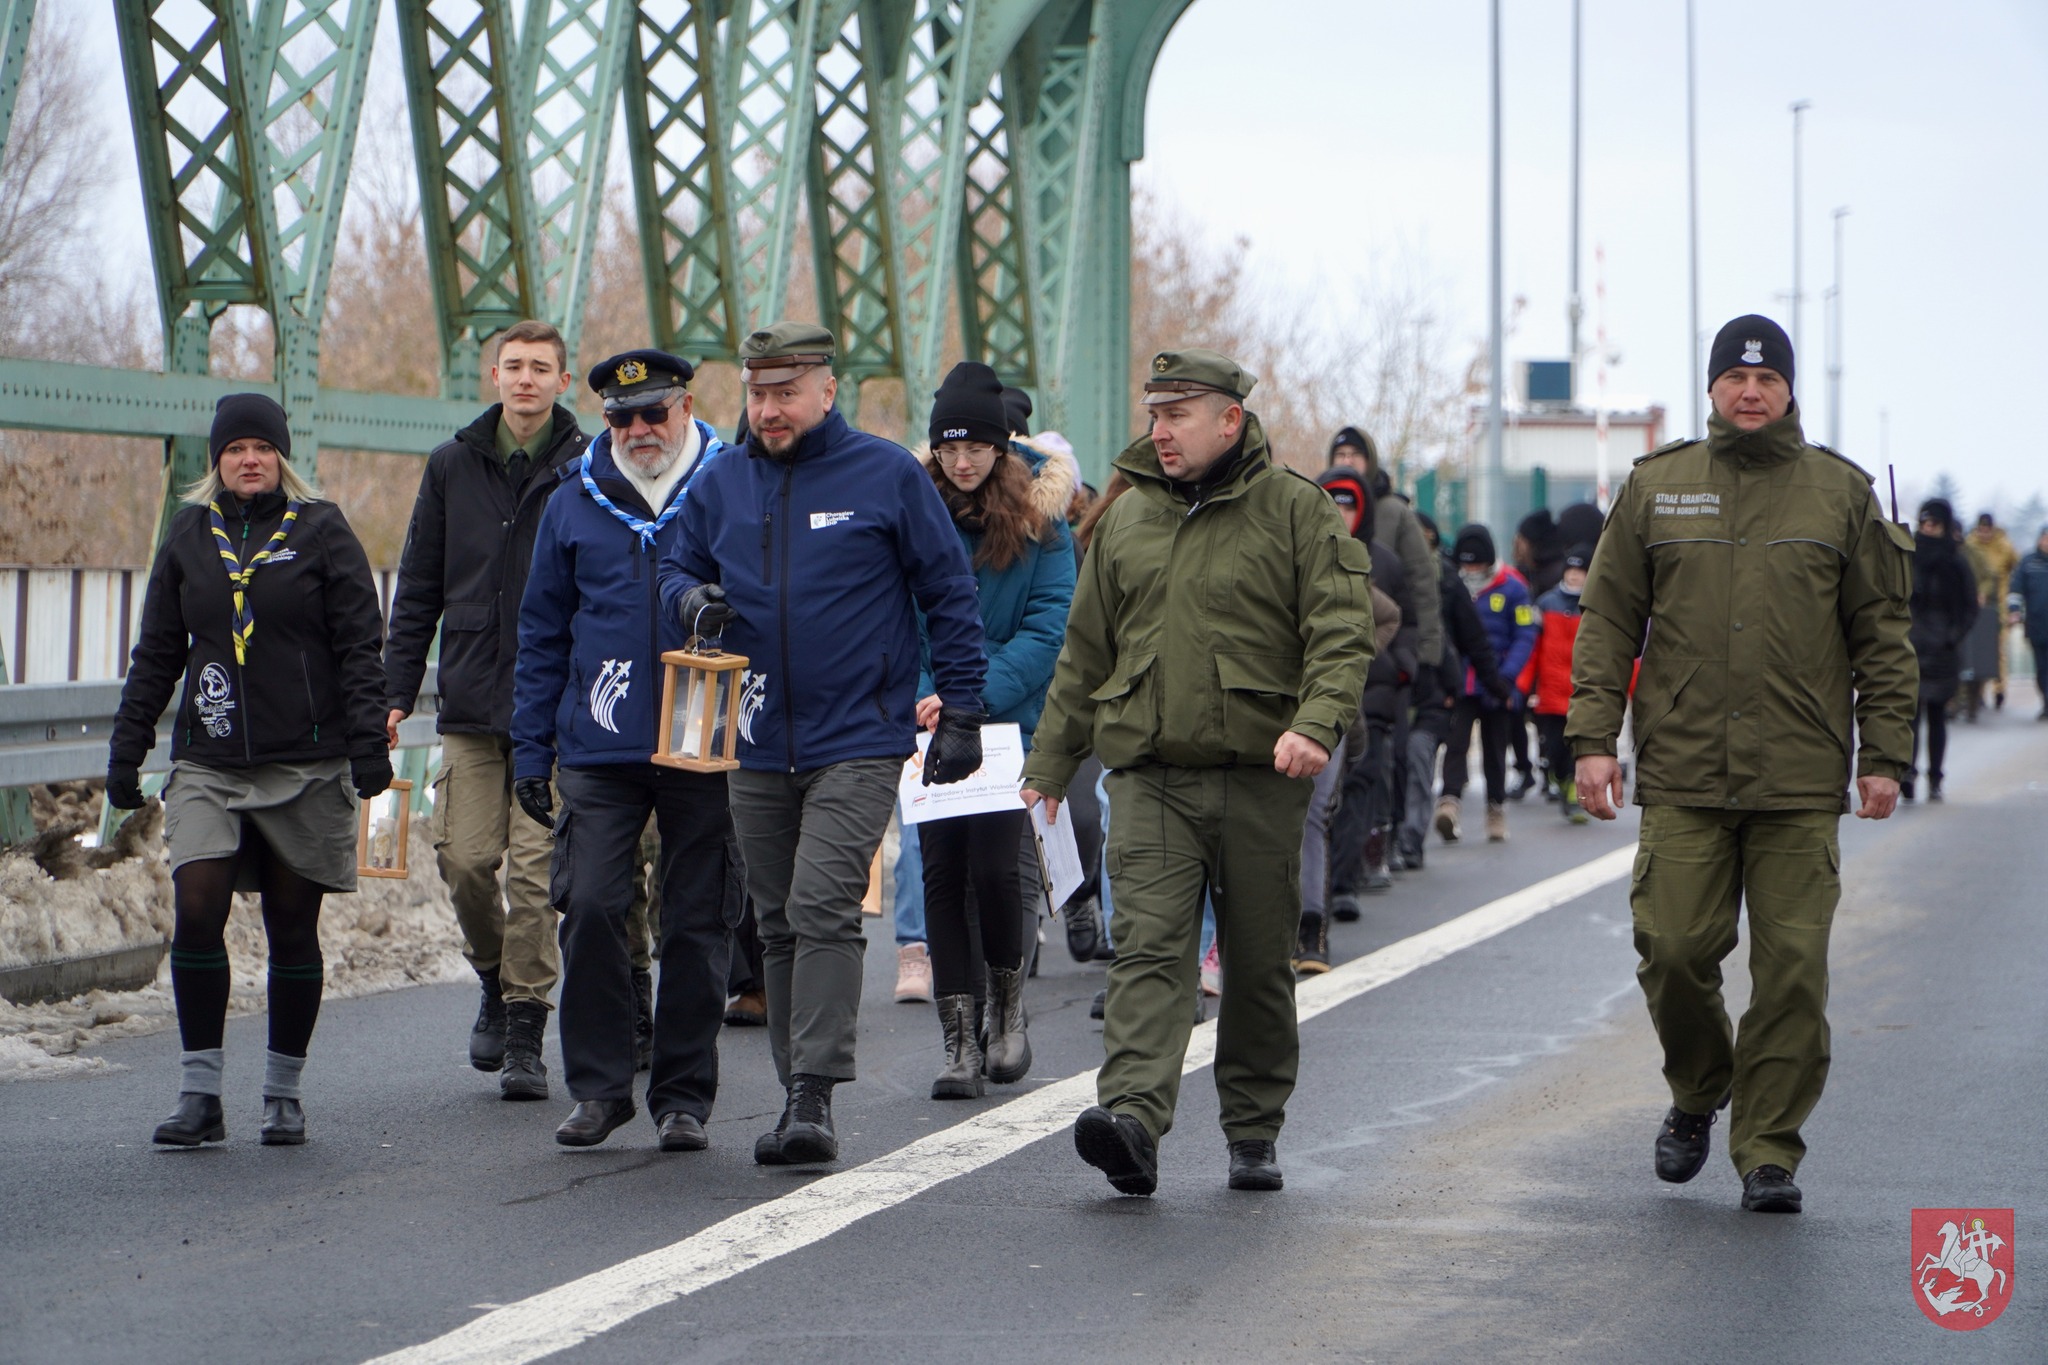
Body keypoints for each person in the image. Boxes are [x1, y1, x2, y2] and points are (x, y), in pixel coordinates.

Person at [1569, 313, 1916, 1213]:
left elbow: (1882, 637)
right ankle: (1700, 1085)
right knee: (1673, 948)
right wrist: (1592, 739)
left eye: (1767, 378)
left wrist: (1884, 754)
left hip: (1798, 775)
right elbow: (1607, 621)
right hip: (1684, 768)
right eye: (1735, 377)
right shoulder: (1659, 486)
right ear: (1713, 387)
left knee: (1792, 970)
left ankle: (1768, 1149)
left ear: (1789, 389)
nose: (1751, 391)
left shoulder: (1840, 493)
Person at [1020, 348, 1372, 1196]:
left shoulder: (1297, 512)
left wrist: (1316, 724)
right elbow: (1085, 654)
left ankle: (1253, 1126)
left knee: (1256, 963)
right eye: (1154, 415)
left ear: (1229, 420)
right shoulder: (1127, 519)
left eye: (1178, 415)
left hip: (1261, 776)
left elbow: (1340, 632)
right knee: (1148, 947)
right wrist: (1049, 764)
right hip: (1151, 776)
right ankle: (1132, 1120)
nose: (1161, 431)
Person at [657, 321, 988, 1166]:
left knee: (821, 904)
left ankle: (813, 1092)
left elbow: (948, 589)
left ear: (827, 391)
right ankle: (794, 1093)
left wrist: (961, 709)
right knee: (775, 921)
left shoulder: (885, 474)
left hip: (859, 735)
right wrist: (690, 601)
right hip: (754, 733)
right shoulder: (722, 481)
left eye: (786, 393)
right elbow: (672, 565)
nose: (769, 409)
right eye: (758, 393)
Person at [108, 393, 390, 1147]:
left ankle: (282, 1093)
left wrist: (369, 745)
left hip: (307, 759)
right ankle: (199, 1094)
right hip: (211, 760)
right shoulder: (189, 533)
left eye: (263, 447)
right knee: (198, 908)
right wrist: (127, 747)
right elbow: (157, 652)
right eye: (235, 449)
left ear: (282, 457)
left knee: (292, 926)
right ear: (218, 460)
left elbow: (360, 645)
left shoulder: (322, 529)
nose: (250, 459)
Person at [510, 349, 735, 1152]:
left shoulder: (730, 484)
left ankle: (682, 1096)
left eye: (654, 412)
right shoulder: (572, 498)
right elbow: (541, 632)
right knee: (593, 906)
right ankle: (601, 1088)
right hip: (599, 746)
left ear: (686, 408)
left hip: (705, 739)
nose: (639, 428)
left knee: (697, 920)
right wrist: (529, 750)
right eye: (620, 416)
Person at [382, 320, 590, 1100]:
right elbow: (418, 588)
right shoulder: (451, 465)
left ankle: (526, 1027)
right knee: (465, 861)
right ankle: (493, 975)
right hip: (470, 700)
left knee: (535, 878)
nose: (526, 378)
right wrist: (394, 692)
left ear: (563, 381)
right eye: (514, 366)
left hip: (556, 707)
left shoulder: (587, 465)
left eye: (541, 367)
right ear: (494, 376)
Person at [914, 362, 1076, 1097]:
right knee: (941, 873)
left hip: (1004, 725)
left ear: (1000, 446)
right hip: (929, 723)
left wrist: (968, 697)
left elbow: (1047, 629)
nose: (961, 462)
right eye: (948, 449)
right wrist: (926, 696)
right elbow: (897, 619)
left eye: (975, 447)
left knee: (993, 868)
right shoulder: (913, 510)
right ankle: (958, 1043)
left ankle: (1006, 1012)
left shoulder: (1043, 522)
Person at [1295, 468, 1408, 972]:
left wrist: (1353, 659)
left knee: (1315, 814)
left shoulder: (1346, 564)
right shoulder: (1262, 559)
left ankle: (1312, 930)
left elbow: (1390, 615)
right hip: (1267, 708)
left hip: (1328, 707)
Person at [1399, 514, 1507, 869]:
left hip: (1442, 687)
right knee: (1419, 759)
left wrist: (1498, 684)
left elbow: (1472, 638)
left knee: (1428, 758)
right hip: (1407, 686)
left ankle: (1413, 838)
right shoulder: (1388, 570)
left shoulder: (1447, 579)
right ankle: (1423, 820)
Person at [1436, 525, 1534, 844]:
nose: (1472, 570)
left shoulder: (1513, 588)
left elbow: (1525, 635)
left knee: (1495, 748)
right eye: (1467, 564)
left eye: (1478, 564)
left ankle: (1496, 809)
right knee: (1456, 744)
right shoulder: (1450, 587)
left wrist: (1507, 677)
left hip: (1498, 683)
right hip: (1461, 683)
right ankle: (1449, 803)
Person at [1904, 500, 1978, 801]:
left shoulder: (1956, 562)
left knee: (1936, 715)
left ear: (1945, 526)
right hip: (1910, 644)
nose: (1928, 528)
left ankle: (1935, 776)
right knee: (1908, 715)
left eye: (1934, 523)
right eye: (1924, 522)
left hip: (1942, 649)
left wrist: (1953, 636)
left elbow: (1969, 607)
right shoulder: (1908, 556)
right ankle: (1907, 773)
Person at [1518, 542, 1593, 822]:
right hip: (1549, 695)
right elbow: (1532, 650)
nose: (1574, 576)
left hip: (1581, 693)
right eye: (1570, 570)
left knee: (1578, 748)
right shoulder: (1546, 603)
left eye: (1580, 572)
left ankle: (1574, 794)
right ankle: (1561, 780)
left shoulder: (1595, 606)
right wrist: (1523, 686)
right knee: (1554, 748)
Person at [1963, 513, 2018, 718]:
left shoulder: (2004, 546)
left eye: (1987, 530)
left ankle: (1999, 689)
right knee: (1978, 650)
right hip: (1977, 603)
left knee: (1998, 648)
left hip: (1999, 604)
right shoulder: (1970, 545)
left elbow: (2017, 567)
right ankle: (1978, 692)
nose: (1984, 534)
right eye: (1981, 530)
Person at [2008, 526, 2048, 717]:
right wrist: (2014, 611)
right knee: (2041, 668)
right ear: (2040, 540)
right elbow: (2016, 588)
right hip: (2037, 624)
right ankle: (2046, 701)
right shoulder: (2029, 562)